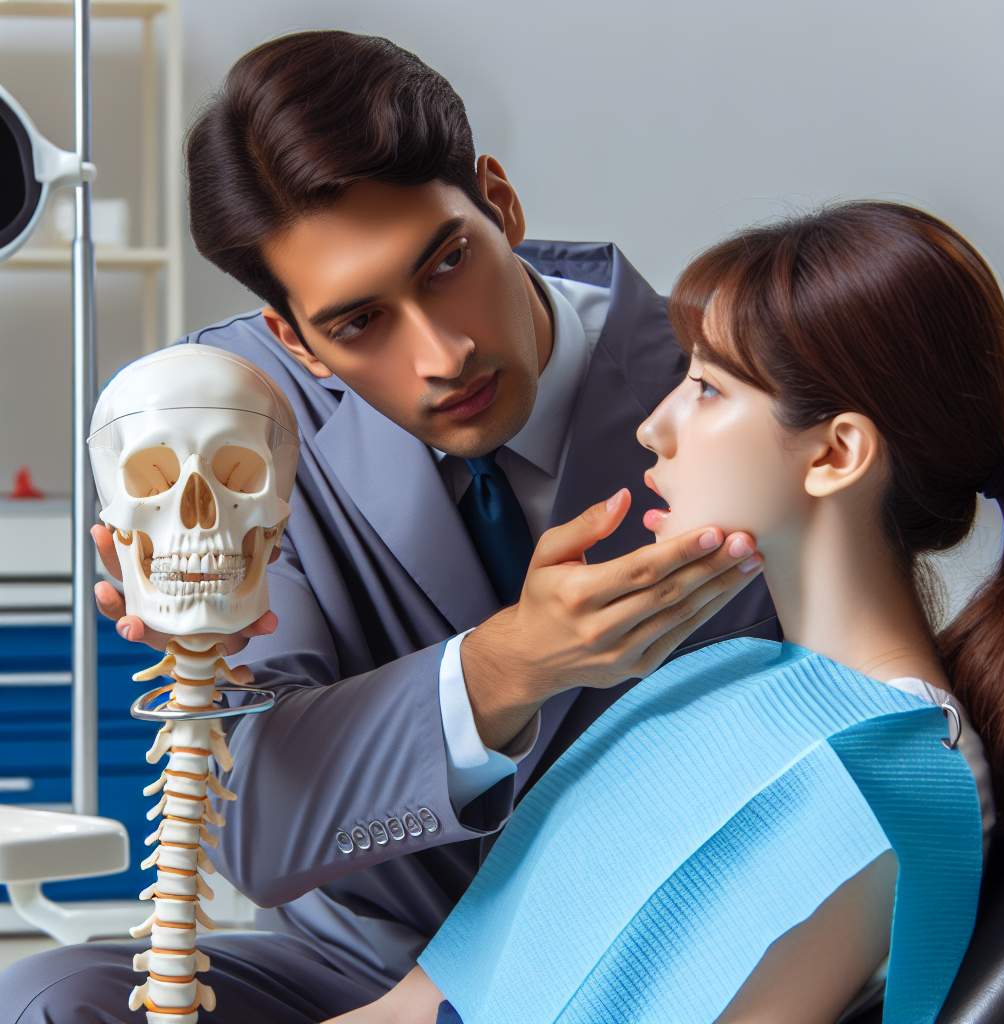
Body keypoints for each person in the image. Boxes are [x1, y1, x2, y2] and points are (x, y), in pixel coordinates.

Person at [1, 30, 777, 1023]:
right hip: (364, 975)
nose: (443, 353)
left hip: (663, 972)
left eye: (448, 262)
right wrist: (504, 667)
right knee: (50, 997)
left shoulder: (727, 385)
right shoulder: (229, 423)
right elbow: (256, 834)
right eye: (358, 321)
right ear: (294, 338)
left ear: (499, 203)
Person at [324, 200, 1004, 1023]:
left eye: (707, 388)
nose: (656, 428)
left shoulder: (892, 773)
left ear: (835, 454)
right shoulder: (709, 680)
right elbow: (420, 1003)